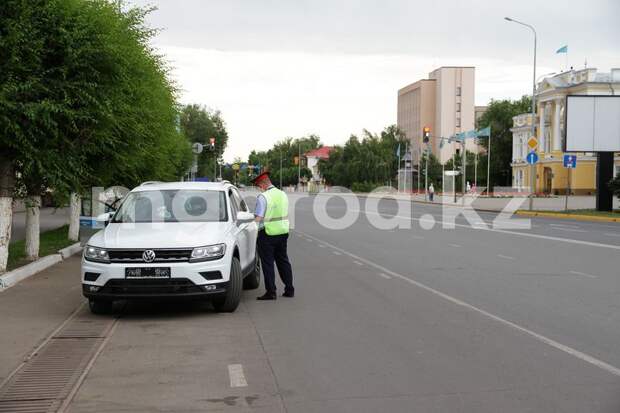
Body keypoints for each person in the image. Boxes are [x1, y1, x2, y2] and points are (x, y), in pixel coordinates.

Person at [252, 171, 294, 300]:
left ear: (263, 183)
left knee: (268, 263)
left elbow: (259, 217)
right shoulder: (283, 194)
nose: (259, 188)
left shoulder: (263, 197)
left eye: (259, 185)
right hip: (282, 232)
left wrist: (250, 226)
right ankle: (289, 289)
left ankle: (271, 292)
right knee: (283, 261)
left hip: (268, 234)